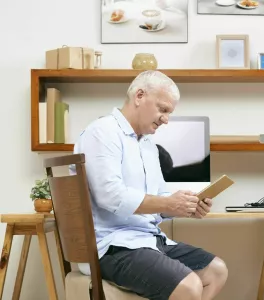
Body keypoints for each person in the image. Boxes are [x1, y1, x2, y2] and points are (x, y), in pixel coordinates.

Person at [70, 70, 228, 300]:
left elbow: (159, 196)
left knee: (216, 271)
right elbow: (110, 196)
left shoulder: (148, 145)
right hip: (112, 247)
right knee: (189, 285)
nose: (166, 119)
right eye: (163, 109)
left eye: (169, 112)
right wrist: (167, 202)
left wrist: (185, 207)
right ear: (139, 96)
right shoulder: (102, 132)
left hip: (148, 240)